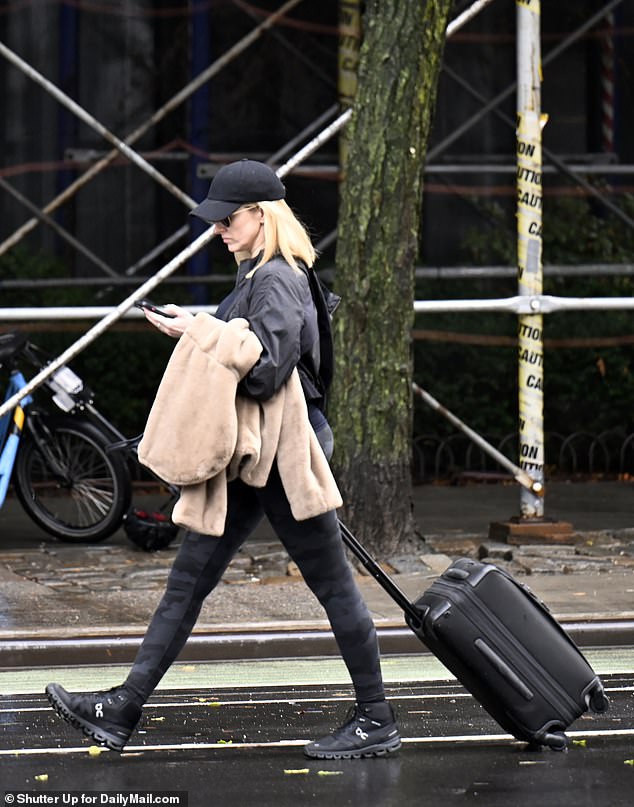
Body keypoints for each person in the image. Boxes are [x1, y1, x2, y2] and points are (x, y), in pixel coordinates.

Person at [45, 159, 400, 760]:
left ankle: (377, 718)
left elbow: (264, 372)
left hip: (283, 456)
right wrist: (201, 325)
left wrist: (199, 333)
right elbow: (247, 349)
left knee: (333, 587)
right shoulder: (263, 274)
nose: (219, 230)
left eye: (228, 219)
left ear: (262, 216)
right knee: (189, 581)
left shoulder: (278, 279)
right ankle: (123, 708)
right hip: (257, 455)